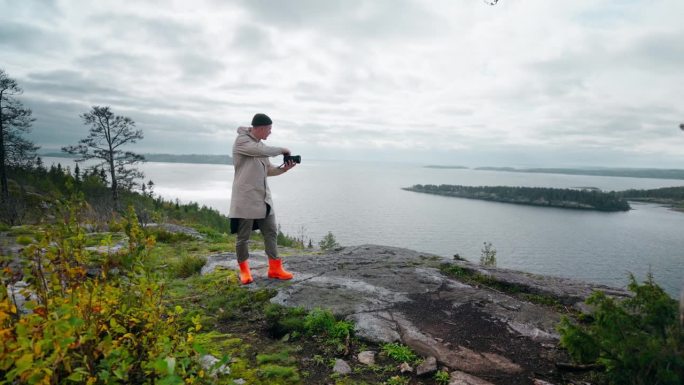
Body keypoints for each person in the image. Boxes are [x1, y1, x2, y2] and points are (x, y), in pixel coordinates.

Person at [229, 113, 297, 284]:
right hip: (246, 199)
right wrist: (283, 150)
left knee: (271, 232)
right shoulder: (242, 142)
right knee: (243, 237)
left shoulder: (261, 145)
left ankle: (275, 268)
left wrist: (284, 169)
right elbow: (260, 151)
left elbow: (268, 170)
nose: (270, 132)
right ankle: (244, 271)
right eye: (268, 128)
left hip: (263, 198)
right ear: (258, 128)